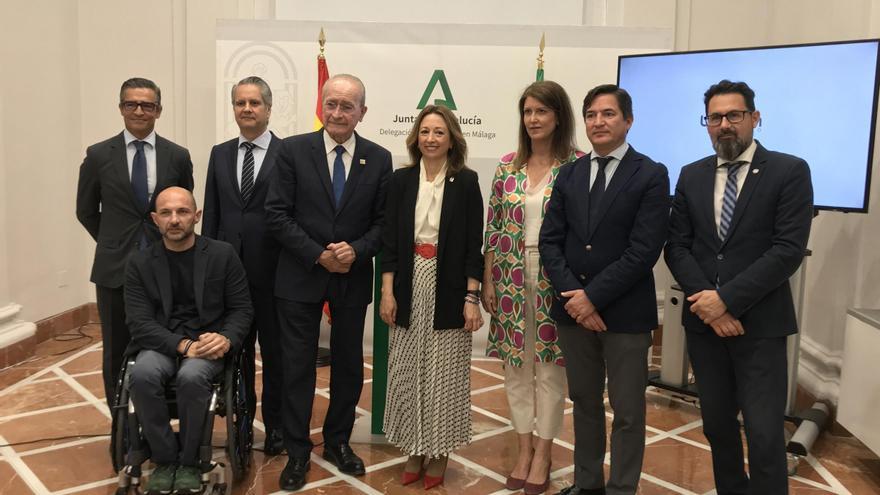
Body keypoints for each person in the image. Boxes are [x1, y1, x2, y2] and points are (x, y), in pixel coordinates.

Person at [664, 80, 813, 494]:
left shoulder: (789, 170)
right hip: (704, 327)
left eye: (734, 115)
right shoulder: (691, 174)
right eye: (715, 117)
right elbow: (676, 247)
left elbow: (787, 250)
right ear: (706, 124)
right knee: (717, 428)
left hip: (760, 327)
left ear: (755, 118)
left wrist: (726, 301)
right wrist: (709, 305)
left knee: (765, 436)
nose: (724, 124)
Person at [265, 73, 393, 491]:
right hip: (300, 276)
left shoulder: (379, 157)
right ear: (321, 106)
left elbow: (383, 223)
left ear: (362, 113)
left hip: (352, 278)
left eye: (347, 106)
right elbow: (277, 214)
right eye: (331, 104)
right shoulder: (291, 151)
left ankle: (338, 441)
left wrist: (355, 251)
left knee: (349, 365)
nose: (337, 113)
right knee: (297, 367)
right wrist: (319, 254)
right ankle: (297, 451)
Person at [540, 84, 670, 495]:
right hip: (572, 313)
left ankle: (622, 488)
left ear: (628, 121)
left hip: (625, 314)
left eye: (608, 114)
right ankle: (587, 482)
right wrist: (574, 299)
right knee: (585, 402)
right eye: (592, 115)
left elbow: (644, 250)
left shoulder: (650, 174)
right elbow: (550, 242)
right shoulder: (569, 173)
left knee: (628, 410)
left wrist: (592, 297)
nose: (599, 122)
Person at [483, 80, 583, 494]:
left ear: (558, 116)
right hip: (507, 275)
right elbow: (493, 227)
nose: (534, 119)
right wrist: (488, 278)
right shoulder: (507, 166)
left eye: (542, 111)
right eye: (527, 112)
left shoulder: (576, 165)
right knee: (516, 369)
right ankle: (523, 448)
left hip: (553, 277)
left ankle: (544, 453)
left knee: (548, 372)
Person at [379, 104, 484, 490]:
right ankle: (413, 448)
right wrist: (387, 293)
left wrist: (471, 297)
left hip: (450, 286)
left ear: (452, 137)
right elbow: (389, 241)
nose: (431, 139)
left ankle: (438, 452)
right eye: (425, 132)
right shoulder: (401, 180)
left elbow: (475, 244)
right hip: (408, 282)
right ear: (415, 137)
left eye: (439, 132)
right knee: (408, 369)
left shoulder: (467, 180)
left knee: (444, 372)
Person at [124, 187, 253, 495]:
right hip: (162, 343)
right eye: (166, 213)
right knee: (141, 374)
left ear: (196, 216)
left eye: (182, 212)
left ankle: (191, 461)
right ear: (155, 219)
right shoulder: (140, 263)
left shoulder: (222, 255)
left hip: (208, 343)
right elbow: (139, 323)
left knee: (192, 375)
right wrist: (183, 345)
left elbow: (242, 309)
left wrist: (226, 338)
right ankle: (166, 459)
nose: (174, 219)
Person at [76, 77, 194, 411]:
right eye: (132, 104)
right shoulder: (99, 155)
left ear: (159, 110)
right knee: (116, 348)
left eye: (147, 105)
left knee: (166, 343)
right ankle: (122, 428)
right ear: (121, 108)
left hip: (169, 267)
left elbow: (182, 206)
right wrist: (114, 242)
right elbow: (85, 210)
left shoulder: (177, 156)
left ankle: (164, 416)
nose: (139, 111)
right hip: (115, 270)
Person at [202, 76, 284, 455]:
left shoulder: (289, 154)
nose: (247, 109)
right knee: (238, 355)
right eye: (240, 103)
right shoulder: (219, 153)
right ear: (233, 108)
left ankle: (279, 429)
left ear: (268, 109)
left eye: (254, 103)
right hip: (230, 279)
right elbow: (213, 216)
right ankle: (243, 424)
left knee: (277, 355)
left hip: (275, 275)